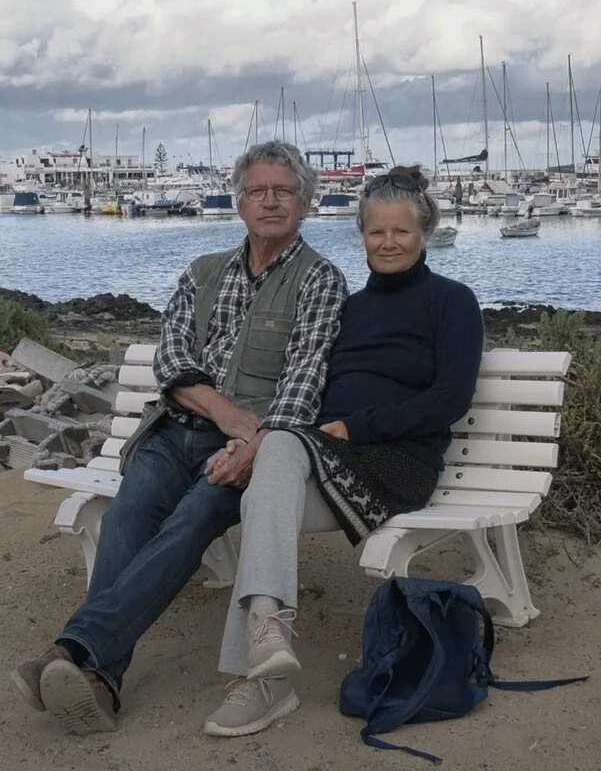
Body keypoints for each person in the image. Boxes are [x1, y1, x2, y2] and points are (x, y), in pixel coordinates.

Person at [11, 141, 348, 735]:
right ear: (239, 203)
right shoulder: (202, 272)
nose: (270, 202)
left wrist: (252, 443)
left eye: (283, 192)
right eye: (257, 192)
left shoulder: (320, 282)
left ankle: (68, 652)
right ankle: (103, 685)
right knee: (127, 518)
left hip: (246, 453)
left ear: (305, 204)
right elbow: (172, 359)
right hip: (175, 433)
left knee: (187, 526)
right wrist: (227, 414)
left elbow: (304, 379)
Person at [204, 165, 485, 737]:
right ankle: (268, 648)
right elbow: (309, 386)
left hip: (395, 464)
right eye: (375, 232)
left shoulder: (452, 302)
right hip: (328, 459)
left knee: (277, 454)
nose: (387, 243)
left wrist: (357, 429)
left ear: (424, 233)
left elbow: (449, 399)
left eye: (401, 232)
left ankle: (260, 672)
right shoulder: (348, 308)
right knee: (269, 486)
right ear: (361, 235)